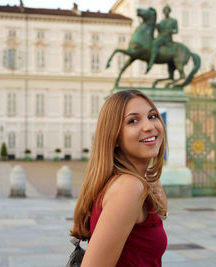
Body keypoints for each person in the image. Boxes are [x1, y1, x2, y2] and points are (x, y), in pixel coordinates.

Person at [70, 89, 169, 266]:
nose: (149, 126)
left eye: (152, 116)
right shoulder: (129, 187)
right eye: (133, 121)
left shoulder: (134, 182)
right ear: (114, 137)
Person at [147, 5, 178, 73]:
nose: (166, 12)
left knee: (155, 44)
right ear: (164, 12)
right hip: (160, 36)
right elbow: (159, 30)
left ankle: (151, 62)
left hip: (167, 38)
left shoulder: (174, 21)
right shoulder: (161, 22)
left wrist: (171, 31)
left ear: (169, 11)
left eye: (167, 10)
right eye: (165, 11)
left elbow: (176, 31)